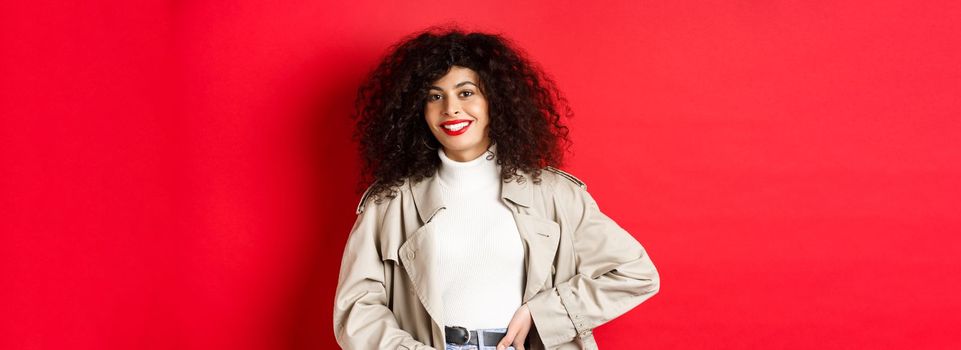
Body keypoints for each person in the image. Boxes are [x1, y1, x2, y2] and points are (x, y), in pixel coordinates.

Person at [333, 26, 660, 350]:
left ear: (495, 100)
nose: (450, 109)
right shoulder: (389, 203)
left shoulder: (554, 194)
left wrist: (542, 313)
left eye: (466, 93)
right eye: (435, 96)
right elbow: (356, 312)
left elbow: (634, 273)